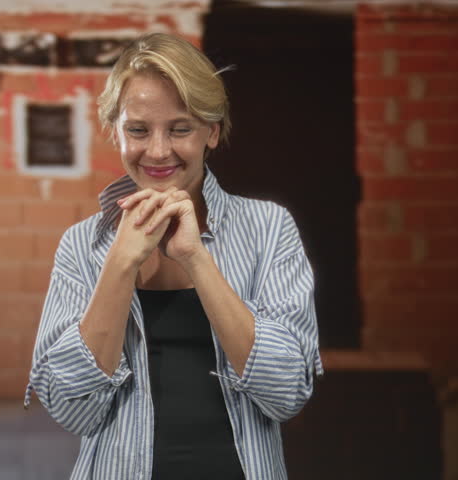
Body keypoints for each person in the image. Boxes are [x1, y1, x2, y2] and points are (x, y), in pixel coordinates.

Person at [25, 32, 322, 480]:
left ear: (212, 132)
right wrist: (120, 266)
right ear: (116, 132)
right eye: (138, 130)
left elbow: (285, 394)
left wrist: (196, 259)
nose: (159, 151)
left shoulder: (268, 229)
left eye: (180, 129)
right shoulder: (82, 246)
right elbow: (70, 410)